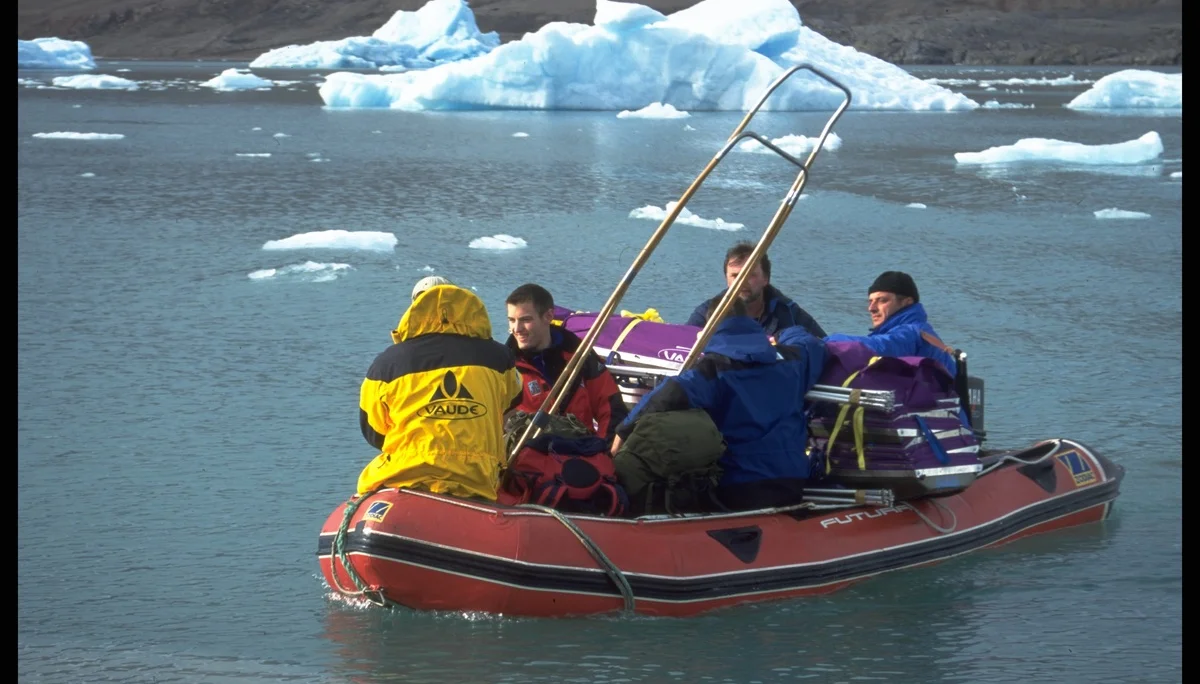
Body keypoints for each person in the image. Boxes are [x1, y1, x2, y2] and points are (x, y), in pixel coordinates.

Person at [612, 300, 827, 511]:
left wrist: (621, 434)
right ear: (750, 323)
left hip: (736, 485)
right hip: (792, 479)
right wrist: (784, 333)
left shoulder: (713, 370)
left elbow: (665, 396)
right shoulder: (791, 360)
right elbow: (810, 343)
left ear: (710, 328)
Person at [356, 279, 523, 501]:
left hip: (406, 475)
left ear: (414, 308)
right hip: (478, 479)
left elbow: (373, 431)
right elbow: (512, 402)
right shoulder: (499, 357)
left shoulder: (387, 364)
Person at [505, 283, 629, 448]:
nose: (516, 328)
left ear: (548, 316)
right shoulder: (504, 365)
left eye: (525, 320)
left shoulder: (580, 357)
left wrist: (604, 454)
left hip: (582, 455)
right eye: (511, 320)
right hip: (528, 462)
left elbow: (611, 409)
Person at [825, 270, 957, 376]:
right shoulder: (901, 331)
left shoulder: (914, 333)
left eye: (882, 300)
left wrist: (825, 341)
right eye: (870, 301)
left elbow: (879, 348)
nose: (871, 308)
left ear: (907, 302)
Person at [686, 241, 825, 339]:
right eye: (735, 275)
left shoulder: (789, 313)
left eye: (750, 275)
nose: (742, 282)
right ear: (726, 278)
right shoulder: (707, 312)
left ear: (766, 278)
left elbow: (825, 345)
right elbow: (680, 346)